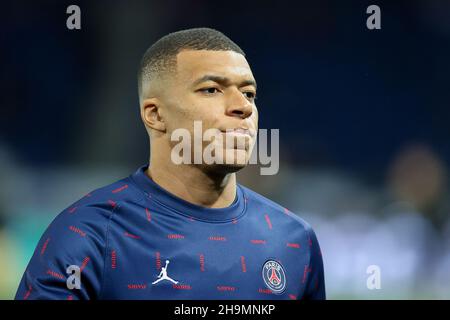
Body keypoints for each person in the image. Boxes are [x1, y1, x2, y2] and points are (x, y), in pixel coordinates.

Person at [15, 27, 325, 300]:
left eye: (249, 93)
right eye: (211, 90)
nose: (242, 106)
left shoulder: (294, 240)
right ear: (155, 115)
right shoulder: (88, 235)